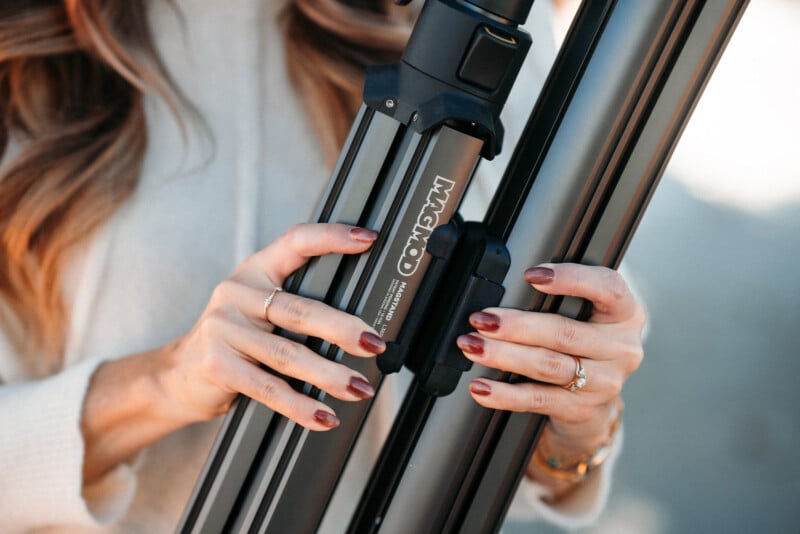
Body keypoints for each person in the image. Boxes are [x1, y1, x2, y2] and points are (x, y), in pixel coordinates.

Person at [0, 0, 646, 531]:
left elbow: (496, 409)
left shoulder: (473, 29)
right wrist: (164, 382)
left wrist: (571, 428)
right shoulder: (17, 61)